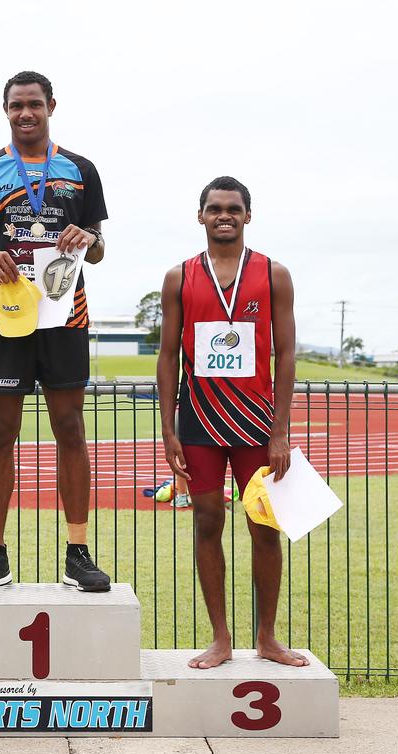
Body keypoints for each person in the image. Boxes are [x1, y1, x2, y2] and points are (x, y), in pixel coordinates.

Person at [0, 71, 110, 592]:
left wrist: (87, 236)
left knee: (70, 428)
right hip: (5, 315)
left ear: (51, 106)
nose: (27, 113)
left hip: (67, 315)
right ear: (5, 110)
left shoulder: (81, 170)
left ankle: (78, 551)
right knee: (2, 433)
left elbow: (100, 247)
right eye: (17, 105)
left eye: (35, 104)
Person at [157, 176, 307, 668]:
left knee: (265, 528)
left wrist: (281, 430)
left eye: (234, 208)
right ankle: (221, 638)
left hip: (256, 426)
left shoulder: (273, 274)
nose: (225, 215)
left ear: (248, 215)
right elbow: (167, 356)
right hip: (199, 422)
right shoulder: (179, 276)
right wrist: (168, 428)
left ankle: (266, 637)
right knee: (207, 522)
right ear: (200, 216)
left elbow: (285, 355)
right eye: (215, 208)